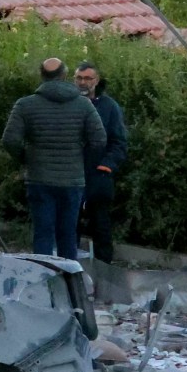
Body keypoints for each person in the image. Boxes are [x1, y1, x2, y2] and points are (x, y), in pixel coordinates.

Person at [1, 56, 105, 259]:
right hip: (72, 180)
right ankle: (68, 283)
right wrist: (81, 162)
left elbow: (10, 140)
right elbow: (99, 140)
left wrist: (27, 158)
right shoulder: (83, 105)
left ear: (42, 76)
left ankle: (43, 279)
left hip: (39, 178)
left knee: (43, 234)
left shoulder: (25, 105)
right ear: (65, 76)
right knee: (68, 235)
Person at [74, 61, 129, 265]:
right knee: (69, 225)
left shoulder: (109, 107)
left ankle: (105, 272)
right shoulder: (69, 103)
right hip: (71, 173)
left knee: (101, 227)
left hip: (99, 175)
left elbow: (119, 142)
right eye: (79, 78)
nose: (83, 82)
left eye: (88, 78)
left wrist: (106, 166)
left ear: (96, 80)